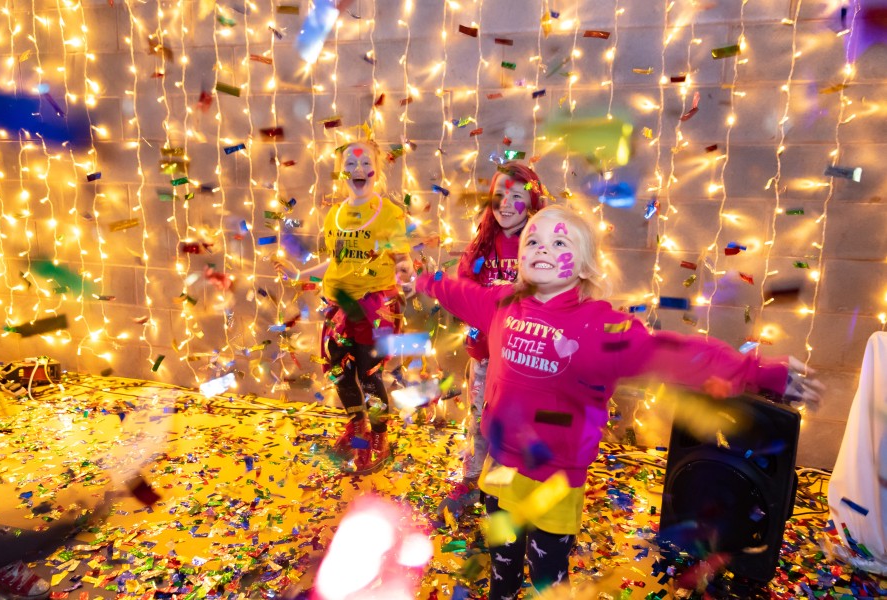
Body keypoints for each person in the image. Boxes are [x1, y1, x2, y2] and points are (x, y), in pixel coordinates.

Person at [415, 204, 823, 599]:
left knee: (547, 579)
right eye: (533, 241)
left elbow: (672, 352)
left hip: (554, 481)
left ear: (585, 266)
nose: (542, 249)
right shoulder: (502, 303)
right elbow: (458, 292)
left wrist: (758, 371)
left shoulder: (600, 327)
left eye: (559, 243)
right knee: (501, 567)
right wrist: (424, 280)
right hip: (500, 468)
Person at [275, 140, 413, 475]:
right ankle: (357, 425)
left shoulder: (390, 214)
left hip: (373, 309)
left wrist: (406, 272)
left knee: (369, 375)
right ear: (341, 172)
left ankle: (379, 435)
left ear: (377, 171)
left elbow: (402, 258)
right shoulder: (335, 215)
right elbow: (334, 263)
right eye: (350, 164)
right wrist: (300, 275)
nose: (358, 170)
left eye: (365, 164)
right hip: (337, 308)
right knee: (338, 371)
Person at [455, 162, 545, 492]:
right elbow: (464, 287)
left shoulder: (540, 245)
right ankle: (471, 481)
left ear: (532, 202)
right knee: (478, 420)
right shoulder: (482, 243)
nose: (506, 204)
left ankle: (505, 488)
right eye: (499, 195)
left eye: (517, 196)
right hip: (484, 355)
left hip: (522, 359)